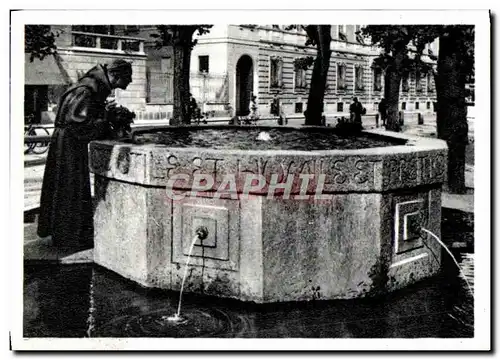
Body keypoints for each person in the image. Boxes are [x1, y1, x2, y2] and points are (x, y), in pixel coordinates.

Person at [37, 59, 133, 249]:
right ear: (114, 75)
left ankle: (68, 234)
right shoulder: (87, 90)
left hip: (67, 142)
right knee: (69, 187)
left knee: (67, 188)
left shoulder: (89, 86)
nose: (128, 83)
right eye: (126, 78)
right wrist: (107, 121)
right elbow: (78, 123)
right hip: (69, 144)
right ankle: (68, 237)